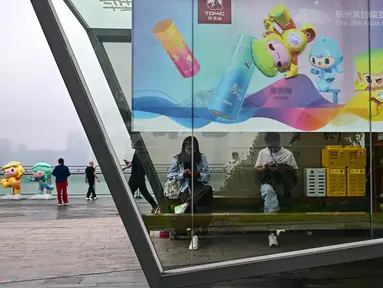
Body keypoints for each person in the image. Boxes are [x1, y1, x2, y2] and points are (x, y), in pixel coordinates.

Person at [168, 136, 213, 251]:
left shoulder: (202, 158)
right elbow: (170, 175)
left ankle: (185, 204)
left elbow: (207, 176)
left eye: (192, 149)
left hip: (199, 189)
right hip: (185, 188)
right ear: (183, 148)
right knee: (191, 205)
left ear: (196, 148)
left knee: (208, 189)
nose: (190, 151)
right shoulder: (178, 159)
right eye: (187, 149)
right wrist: (182, 174)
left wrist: (197, 175)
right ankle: (194, 237)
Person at [254, 132, 298, 247]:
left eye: (274, 146)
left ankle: (271, 231)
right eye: (270, 147)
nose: (272, 149)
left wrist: (281, 168)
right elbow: (257, 169)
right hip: (267, 182)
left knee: (269, 199)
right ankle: (273, 228)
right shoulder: (263, 153)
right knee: (268, 192)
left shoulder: (288, 154)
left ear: (279, 143)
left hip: (282, 184)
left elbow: (294, 172)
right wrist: (265, 168)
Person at [123, 141, 159, 214]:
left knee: (141, 192)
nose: (131, 143)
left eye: (132, 141)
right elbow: (133, 163)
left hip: (138, 176)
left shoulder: (142, 154)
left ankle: (155, 206)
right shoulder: (137, 152)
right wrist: (126, 167)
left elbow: (143, 165)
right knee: (131, 192)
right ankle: (154, 206)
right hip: (134, 176)